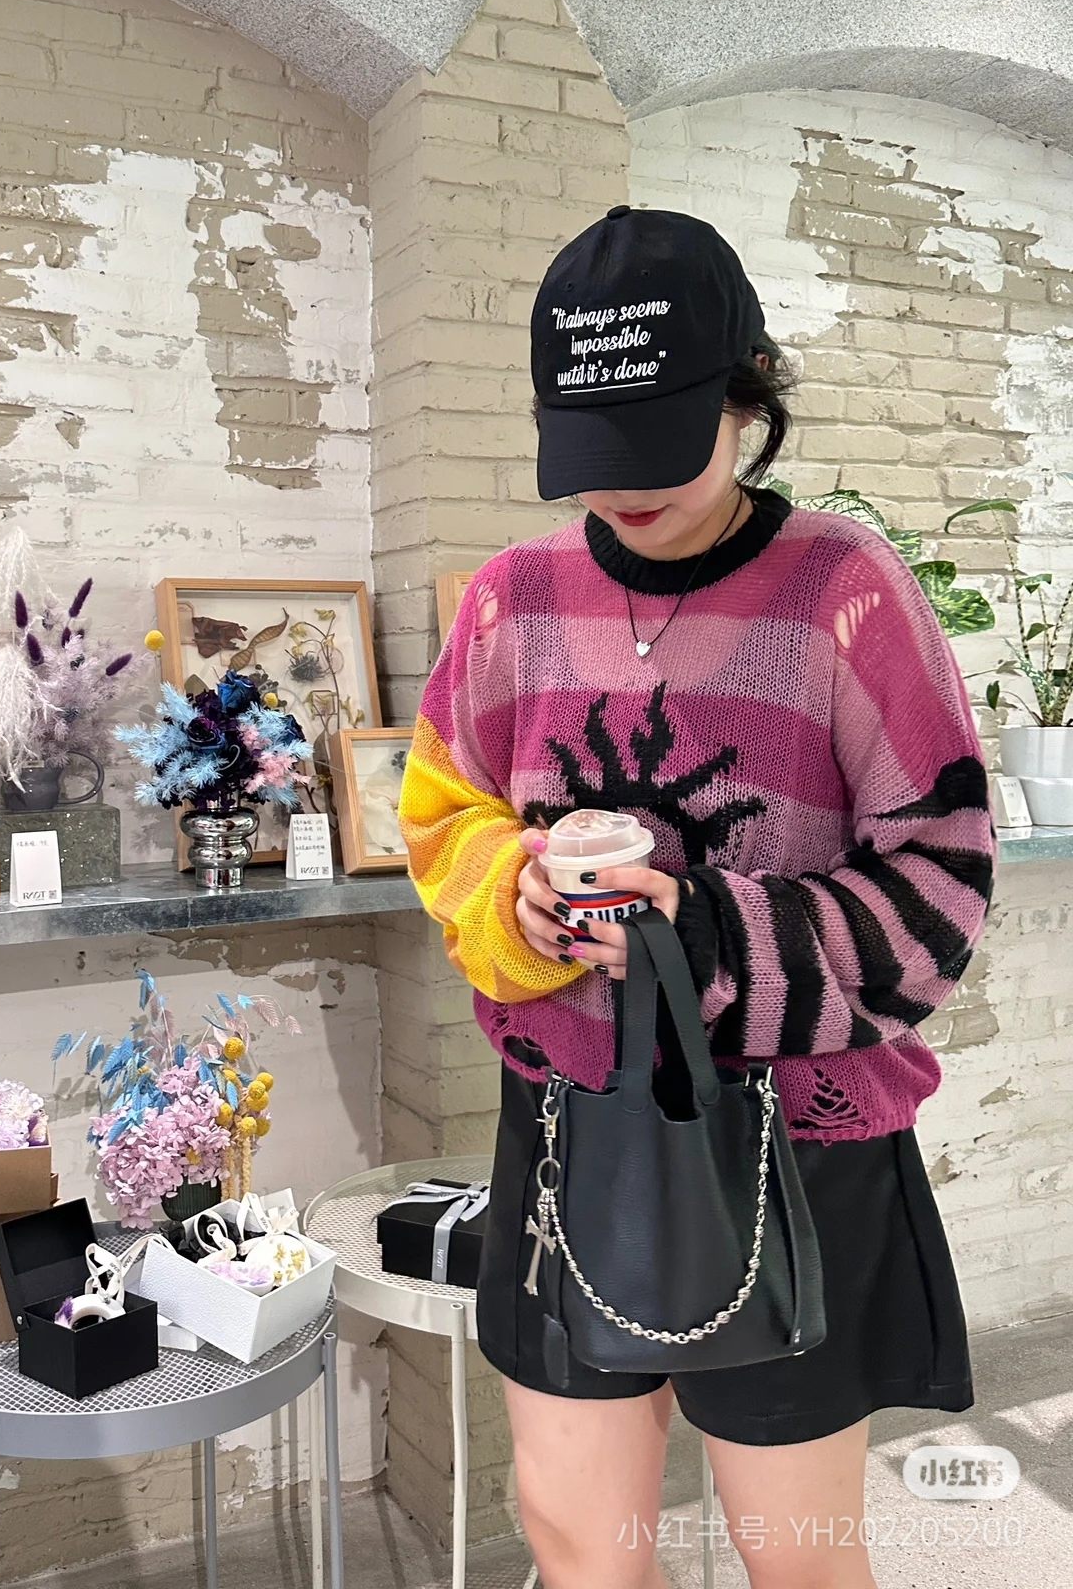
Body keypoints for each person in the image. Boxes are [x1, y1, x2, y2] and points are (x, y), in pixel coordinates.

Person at [397, 204, 996, 1589]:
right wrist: (518, 898)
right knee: (578, 1542)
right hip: (567, 1119)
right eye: (593, 451)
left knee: (798, 1556)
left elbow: (941, 891)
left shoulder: (845, 593)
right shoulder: (512, 599)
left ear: (747, 395)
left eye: (665, 438)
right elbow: (439, 812)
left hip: (793, 1134)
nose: (626, 489)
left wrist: (703, 935)